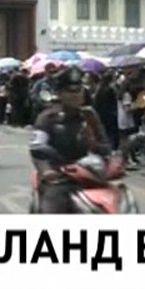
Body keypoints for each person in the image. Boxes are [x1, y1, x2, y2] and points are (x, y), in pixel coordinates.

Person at [29, 66, 114, 213]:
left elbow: (106, 147)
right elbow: (37, 147)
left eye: (78, 90)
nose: (75, 95)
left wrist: (95, 146)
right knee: (52, 206)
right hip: (60, 177)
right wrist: (47, 171)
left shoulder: (90, 116)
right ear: (60, 94)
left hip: (90, 175)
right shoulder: (47, 118)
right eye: (70, 91)